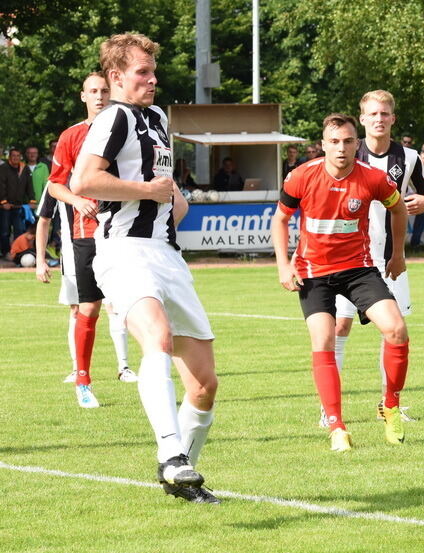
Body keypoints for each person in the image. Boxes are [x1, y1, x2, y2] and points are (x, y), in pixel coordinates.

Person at [71, 33, 219, 504]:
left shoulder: (156, 118)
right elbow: (85, 180)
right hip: (123, 249)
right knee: (157, 338)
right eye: (142, 72)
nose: (152, 80)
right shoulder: (113, 117)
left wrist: (173, 199)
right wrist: (148, 194)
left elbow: (161, 189)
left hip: (166, 253)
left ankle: (184, 477)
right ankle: (171, 454)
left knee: (204, 382)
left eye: (153, 72)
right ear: (116, 77)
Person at [271, 112, 410, 452]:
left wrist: (398, 254)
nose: (341, 148)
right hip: (314, 272)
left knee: (396, 330)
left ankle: (390, 406)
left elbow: (399, 209)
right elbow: (280, 219)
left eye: (348, 141)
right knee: (324, 339)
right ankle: (336, 425)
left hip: (357, 269)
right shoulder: (301, 176)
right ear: (323, 145)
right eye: (334, 142)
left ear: (356, 144)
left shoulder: (373, 179)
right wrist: (282, 265)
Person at [330, 90, 424, 427]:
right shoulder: (347, 152)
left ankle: (389, 404)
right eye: (372, 114)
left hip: (391, 257)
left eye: (384, 114)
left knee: (394, 331)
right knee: (339, 326)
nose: (379, 119)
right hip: (348, 256)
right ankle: (329, 408)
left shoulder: (410, 157)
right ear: (361, 119)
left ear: (393, 118)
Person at [36, 72, 135, 410]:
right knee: (89, 308)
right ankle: (83, 381)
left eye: (104, 90)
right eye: (93, 91)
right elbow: (54, 184)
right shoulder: (72, 136)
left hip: (125, 232)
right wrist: (77, 200)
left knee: (134, 307)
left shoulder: (129, 128)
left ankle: (133, 369)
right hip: (86, 235)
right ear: (83, 96)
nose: (99, 96)